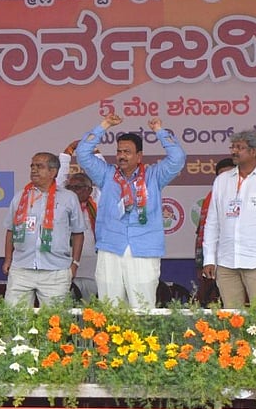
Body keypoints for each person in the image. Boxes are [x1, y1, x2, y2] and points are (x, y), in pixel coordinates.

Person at [76, 114, 186, 308]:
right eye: (119, 151)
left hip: (143, 248)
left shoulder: (154, 176)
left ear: (139, 156)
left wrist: (160, 131)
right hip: (111, 247)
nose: (121, 156)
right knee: (111, 307)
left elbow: (177, 158)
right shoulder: (106, 175)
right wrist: (104, 125)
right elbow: (83, 153)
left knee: (143, 307)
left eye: (127, 152)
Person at [202, 130, 256, 308]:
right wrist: (209, 258)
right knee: (231, 318)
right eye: (233, 147)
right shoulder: (222, 180)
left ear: (253, 151)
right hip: (226, 261)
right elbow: (212, 223)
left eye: (239, 147)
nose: (234, 151)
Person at [2, 152, 84, 307]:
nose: (34, 170)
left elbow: (78, 232)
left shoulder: (68, 198)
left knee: (55, 324)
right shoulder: (20, 197)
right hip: (22, 268)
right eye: (32, 166)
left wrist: (75, 264)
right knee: (15, 321)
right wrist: (8, 259)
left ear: (53, 172)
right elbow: (10, 230)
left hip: (56, 270)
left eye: (39, 166)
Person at [194, 157, 236, 304]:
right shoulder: (211, 197)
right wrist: (204, 262)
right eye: (221, 175)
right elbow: (203, 233)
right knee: (211, 301)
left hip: (237, 261)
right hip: (212, 262)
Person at [64, 172, 98, 302]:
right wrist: (65, 157)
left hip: (92, 270)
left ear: (89, 190)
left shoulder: (98, 205)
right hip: (67, 268)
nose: (72, 191)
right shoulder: (62, 208)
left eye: (77, 187)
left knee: (91, 313)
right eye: (69, 188)